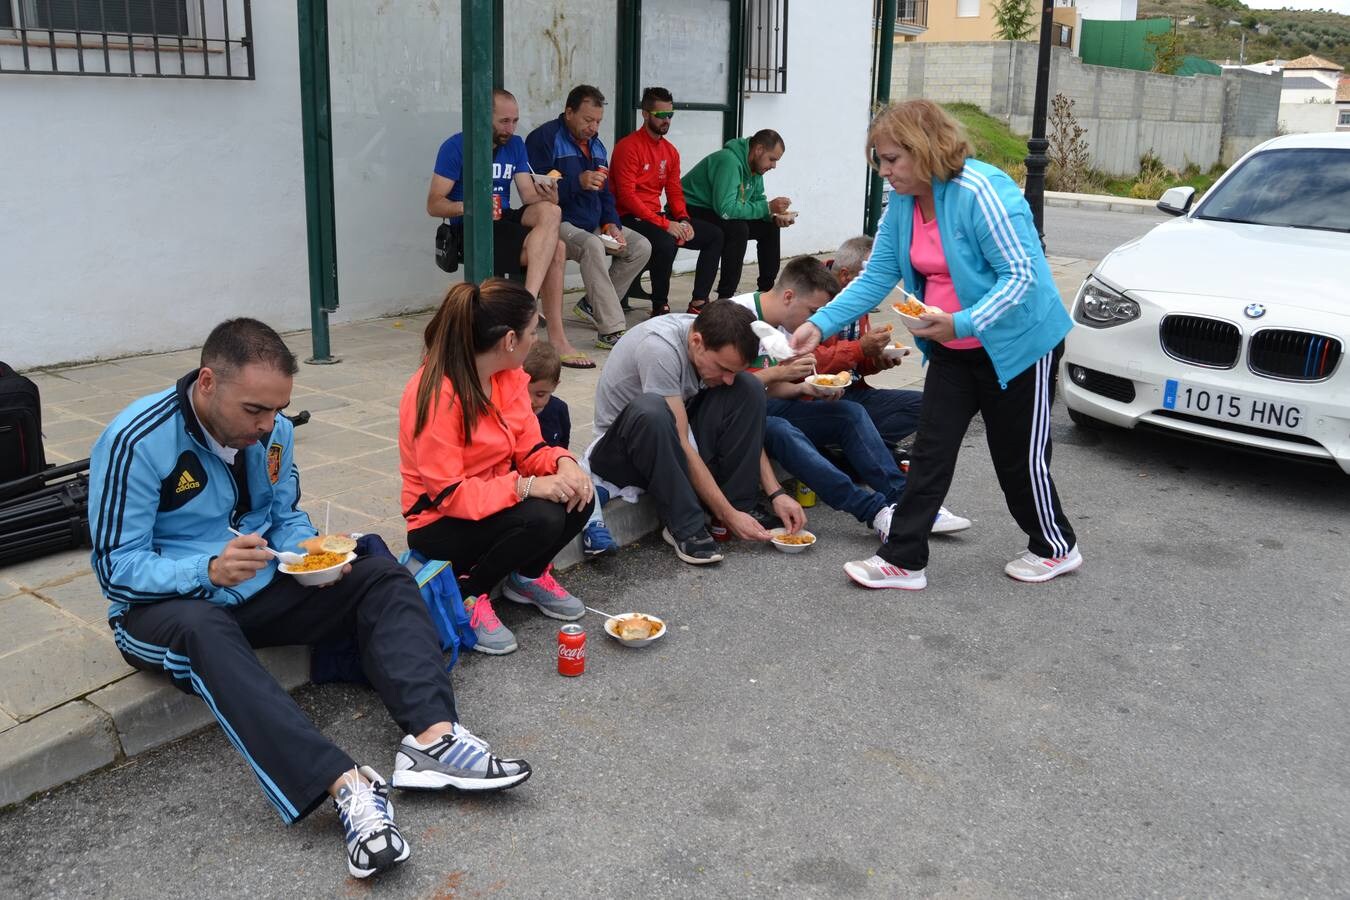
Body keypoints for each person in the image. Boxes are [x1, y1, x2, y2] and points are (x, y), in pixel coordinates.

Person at [88, 318, 531, 880]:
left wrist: (313, 554)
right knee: (205, 632)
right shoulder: (137, 440)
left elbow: (283, 515)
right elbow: (116, 570)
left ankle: (433, 740)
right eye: (254, 411)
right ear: (206, 382)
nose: (268, 425)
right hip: (162, 607)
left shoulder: (272, 432)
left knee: (380, 574)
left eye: (278, 410)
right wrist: (205, 568)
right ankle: (348, 787)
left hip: (257, 583)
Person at [790, 100, 1080, 590]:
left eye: (891, 160)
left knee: (1017, 458)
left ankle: (1055, 545)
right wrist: (820, 323)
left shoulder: (983, 193)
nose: (884, 172)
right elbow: (879, 273)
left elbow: (1024, 277)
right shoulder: (903, 202)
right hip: (951, 343)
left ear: (926, 150)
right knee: (929, 451)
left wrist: (962, 322)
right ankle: (903, 559)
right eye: (879, 160)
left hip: (1017, 346)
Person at [399, 280, 595, 658]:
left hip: (491, 503)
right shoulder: (435, 393)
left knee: (580, 496)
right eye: (532, 331)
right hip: (438, 522)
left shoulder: (508, 377)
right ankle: (469, 595)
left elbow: (530, 447)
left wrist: (563, 462)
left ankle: (528, 576)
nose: (536, 339)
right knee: (542, 517)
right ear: (509, 340)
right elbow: (449, 495)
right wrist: (524, 487)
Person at [732, 257, 963, 538]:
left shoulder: (787, 322)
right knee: (782, 430)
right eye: (813, 311)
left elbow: (771, 388)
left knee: (849, 412)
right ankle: (875, 511)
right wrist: (783, 373)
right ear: (789, 297)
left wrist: (803, 388)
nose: (816, 322)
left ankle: (906, 501)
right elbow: (726, 387)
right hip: (737, 419)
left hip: (771, 405)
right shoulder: (739, 316)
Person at [586, 300, 805, 565]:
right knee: (652, 409)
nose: (727, 378)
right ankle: (684, 526)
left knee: (748, 386)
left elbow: (688, 432)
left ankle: (741, 504)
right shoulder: (659, 348)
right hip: (625, 454)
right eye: (723, 368)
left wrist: (776, 492)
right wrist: (725, 513)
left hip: (672, 440)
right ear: (697, 342)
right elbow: (681, 441)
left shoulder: (707, 341)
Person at [814, 238, 971, 535]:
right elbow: (810, 362)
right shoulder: (816, 294)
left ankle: (863, 455)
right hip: (819, 402)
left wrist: (877, 360)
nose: (879, 289)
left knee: (930, 405)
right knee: (851, 416)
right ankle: (906, 500)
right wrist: (861, 349)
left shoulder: (854, 297)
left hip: (854, 393)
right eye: (872, 278)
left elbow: (856, 366)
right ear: (847, 276)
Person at [428, 89, 593, 369]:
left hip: (503, 217)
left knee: (552, 210)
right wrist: (471, 206)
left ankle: (526, 301)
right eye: (504, 121)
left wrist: (549, 194)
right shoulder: (456, 147)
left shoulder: (515, 144)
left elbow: (528, 196)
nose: (511, 128)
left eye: (515, 121)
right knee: (559, 248)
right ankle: (555, 336)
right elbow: (434, 205)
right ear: (483, 117)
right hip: (471, 225)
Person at [525, 84, 652, 351]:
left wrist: (612, 225)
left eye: (597, 121)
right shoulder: (544, 138)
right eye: (587, 120)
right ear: (569, 112)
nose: (593, 127)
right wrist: (577, 182)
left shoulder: (597, 146)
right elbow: (538, 190)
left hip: (593, 222)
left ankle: (592, 306)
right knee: (592, 246)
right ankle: (611, 330)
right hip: (559, 223)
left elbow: (605, 194)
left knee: (640, 246)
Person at [610, 86, 724, 316]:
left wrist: (683, 219)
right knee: (665, 241)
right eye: (661, 115)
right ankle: (659, 305)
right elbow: (627, 197)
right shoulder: (628, 147)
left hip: (653, 216)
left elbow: (674, 191)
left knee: (715, 235)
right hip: (627, 217)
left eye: (670, 115)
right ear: (645, 114)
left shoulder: (670, 151)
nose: (666, 121)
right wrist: (665, 225)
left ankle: (699, 302)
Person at [681, 128, 792, 300]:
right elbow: (726, 210)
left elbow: (757, 201)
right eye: (772, 159)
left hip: (714, 209)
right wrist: (767, 208)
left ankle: (766, 293)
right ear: (759, 150)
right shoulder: (729, 161)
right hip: (690, 208)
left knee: (769, 227)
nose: (773, 166)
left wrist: (773, 216)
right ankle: (726, 297)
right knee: (738, 229)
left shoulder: (756, 168)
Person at [524, 341, 570, 450]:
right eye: (523, 392)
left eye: (540, 394)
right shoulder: (511, 411)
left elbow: (563, 444)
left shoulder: (559, 409)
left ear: (555, 386)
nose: (530, 400)